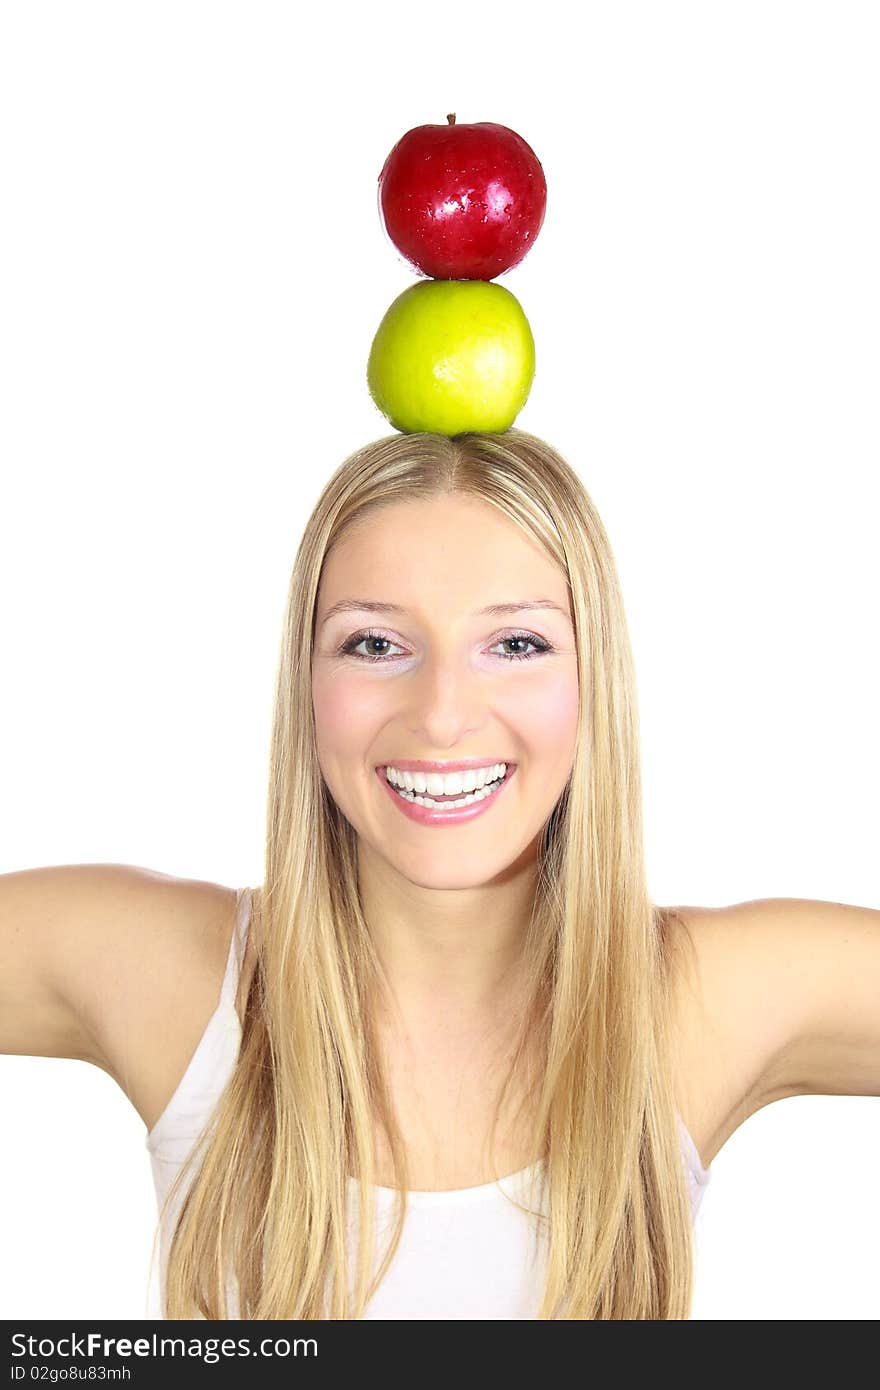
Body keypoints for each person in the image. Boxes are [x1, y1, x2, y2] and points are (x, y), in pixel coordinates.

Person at [1, 429, 877, 1319]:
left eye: (518, 644)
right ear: (306, 681)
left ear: (593, 678)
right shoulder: (180, 982)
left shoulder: (697, 1000)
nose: (444, 716)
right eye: (375, 645)